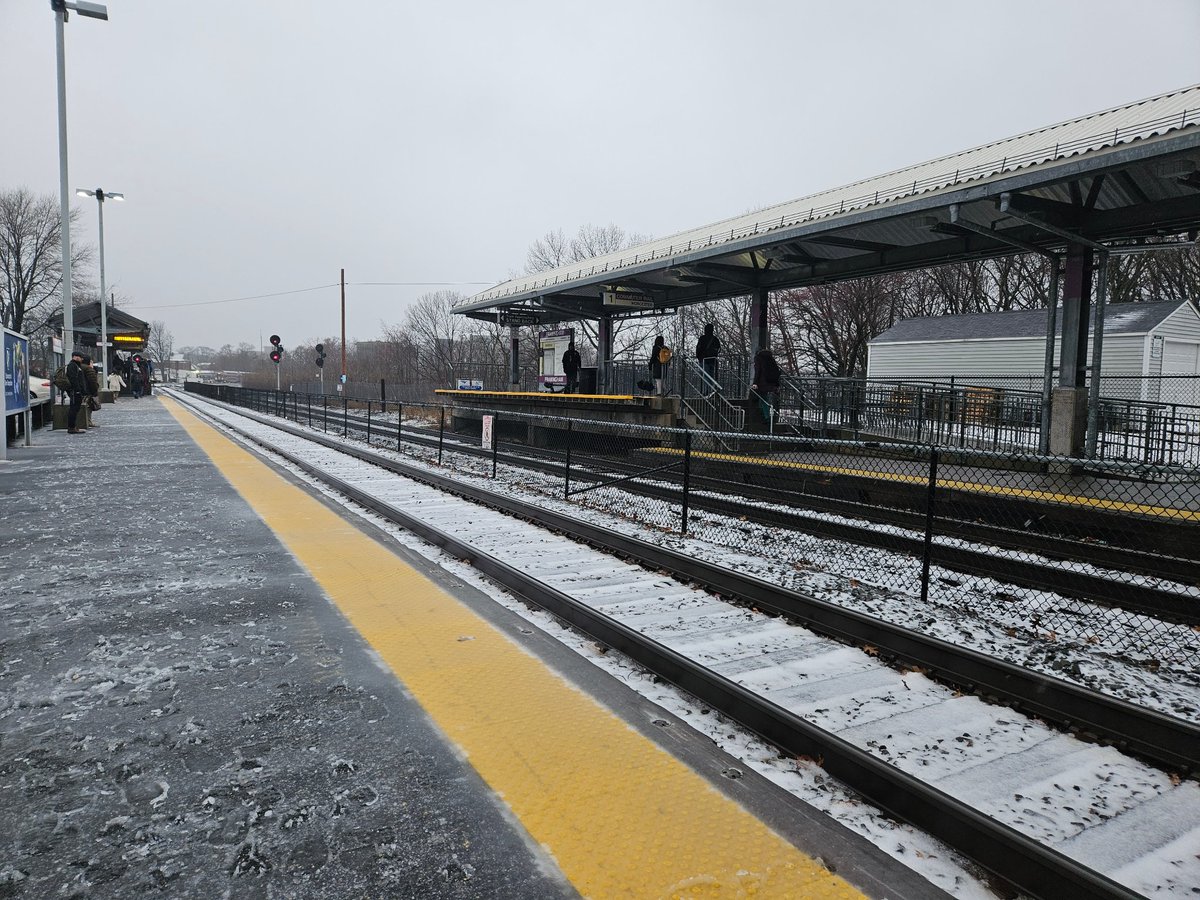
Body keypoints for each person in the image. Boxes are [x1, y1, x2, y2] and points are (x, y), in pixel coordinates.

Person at [750, 348, 781, 425]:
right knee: (773, 401)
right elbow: (777, 371)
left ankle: (767, 417)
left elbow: (758, 371)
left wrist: (755, 383)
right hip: (772, 383)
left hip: (763, 383)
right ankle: (773, 416)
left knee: (763, 399)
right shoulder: (771, 358)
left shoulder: (758, 358)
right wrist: (777, 384)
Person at [695, 323, 721, 394]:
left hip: (704, 360)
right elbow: (719, 349)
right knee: (712, 377)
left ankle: (706, 391)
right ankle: (712, 391)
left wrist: (699, 356)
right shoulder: (715, 339)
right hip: (713, 360)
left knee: (705, 376)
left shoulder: (702, 338)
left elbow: (698, 348)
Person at [65, 350, 87, 434]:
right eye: (81, 358)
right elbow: (74, 379)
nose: (82, 359)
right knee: (74, 409)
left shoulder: (76, 366)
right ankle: (71, 427)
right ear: (76, 357)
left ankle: (73, 426)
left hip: (76, 391)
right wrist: (77, 390)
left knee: (75, 409)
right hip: (75, 392)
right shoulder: (72, 366)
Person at [81, 355, 101, 427]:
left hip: (81, 391)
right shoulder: (88, 369)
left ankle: (85, 421)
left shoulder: (79, 367)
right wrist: (95, 392)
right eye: (91, 362)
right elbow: (92, 382)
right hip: (88, 391)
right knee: (88, 407)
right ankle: (88, 421)